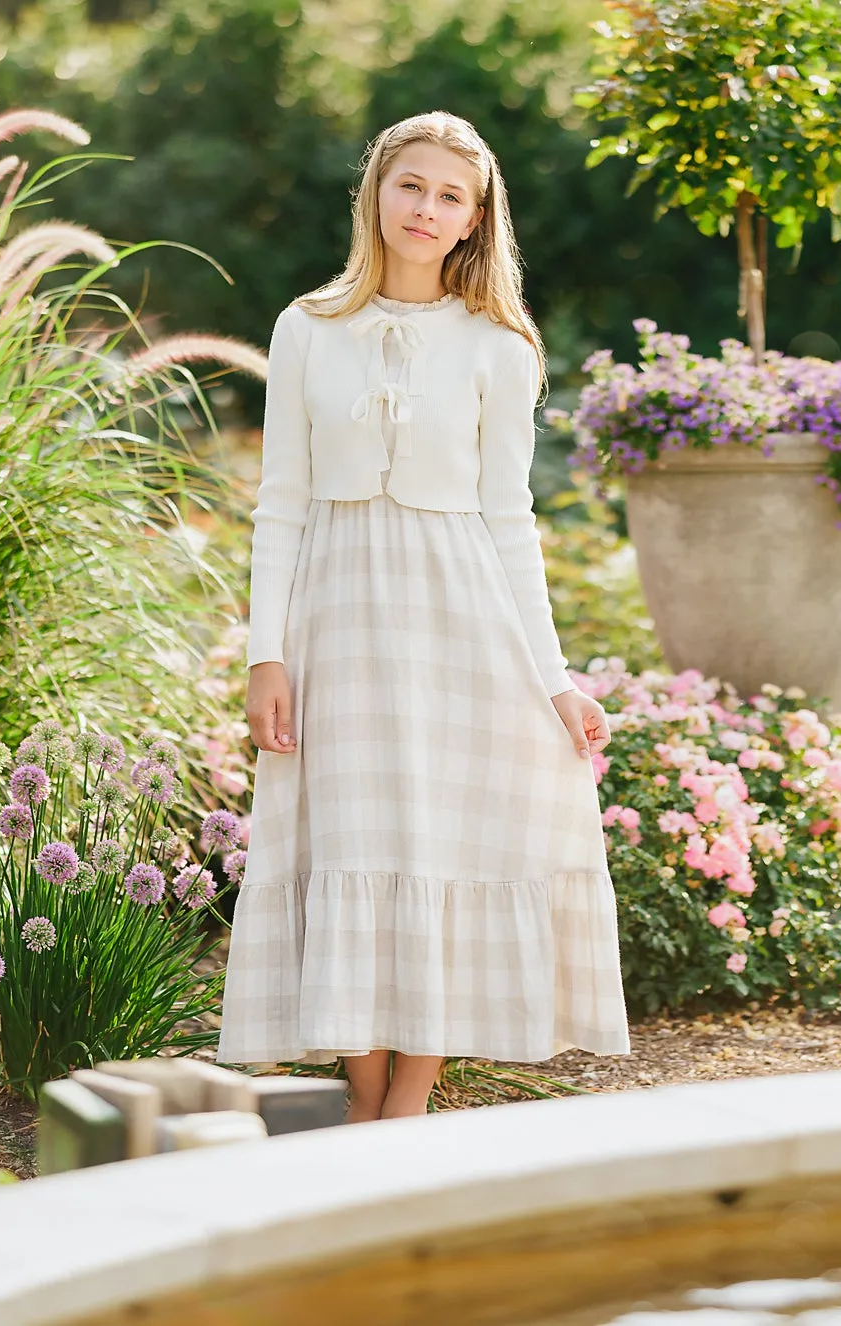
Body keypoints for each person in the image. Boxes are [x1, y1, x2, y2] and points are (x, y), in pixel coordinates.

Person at [214, 110, 631, 1120]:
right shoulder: (306, 328)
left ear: (474, 217)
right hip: (339, 620)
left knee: (443, 843)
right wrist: (266, 655)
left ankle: (406, 1104)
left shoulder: (497, 346)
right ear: (376, 193)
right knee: (350, 839)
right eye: (411, 185)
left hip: (459, 621)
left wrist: (554, 678)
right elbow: (281, 502)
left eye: (450, 195)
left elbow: (508, 520)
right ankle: (364, 1099)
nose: (425, 208)